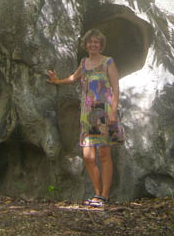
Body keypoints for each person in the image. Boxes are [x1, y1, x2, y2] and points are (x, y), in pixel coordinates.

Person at [47, 28, 122, 208]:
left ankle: (104, 195)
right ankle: (97, 193)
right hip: (87, 113)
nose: (93, 44)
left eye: (96, 42)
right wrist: (58, 81)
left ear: (101, 44)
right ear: (86, 44)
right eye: (90, 42)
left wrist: (113, 111)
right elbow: (74, 77)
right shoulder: (84, 62)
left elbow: (116, 87)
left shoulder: (108, 62)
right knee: (88, 156)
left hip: (103, 111)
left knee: (104, 154)